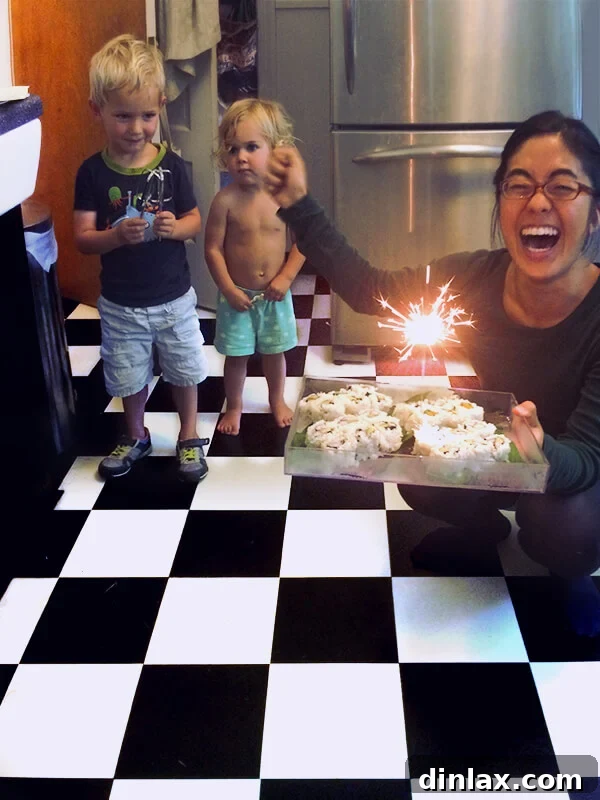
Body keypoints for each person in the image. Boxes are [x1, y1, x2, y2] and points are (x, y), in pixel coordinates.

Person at [265, 109, 600, 637]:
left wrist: (542, 453)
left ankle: (571, 570)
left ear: (596, 213)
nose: (538, 201)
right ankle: (481, 526)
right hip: (503, 448)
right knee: (413, 462)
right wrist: (299, 207)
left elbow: (586, 457)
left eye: (563, 186)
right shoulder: (475, 276)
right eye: (519, 186)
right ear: (500, 203)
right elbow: (371, 288)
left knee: (563, 525)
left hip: (575, 472)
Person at [73, 34, 209, 483]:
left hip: (173, 298)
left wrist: (177, 228)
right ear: (98, 110)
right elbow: (82, 239)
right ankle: (135, 434)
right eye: (122, 116)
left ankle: (189, 435)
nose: (136, 128)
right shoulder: (91, 172)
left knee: (185, 368)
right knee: (128, 374)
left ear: (162, 105)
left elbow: (195, 220)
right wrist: (113, 237)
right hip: (121, 303)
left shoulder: (174, 166)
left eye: (148, 115)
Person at [204, 98, 305, 435]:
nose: (241, 157)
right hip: (238, 298)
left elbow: (304, 242)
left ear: (275, 149)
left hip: (275, 295)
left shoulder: (283, 197)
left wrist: (286, 277)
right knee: (237, 357)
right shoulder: (225, 200)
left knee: (276, 354)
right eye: (232, 149)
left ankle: (277, 399)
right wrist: (228, 289)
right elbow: (213, 250)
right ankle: (234, 405)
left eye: (251, 147)